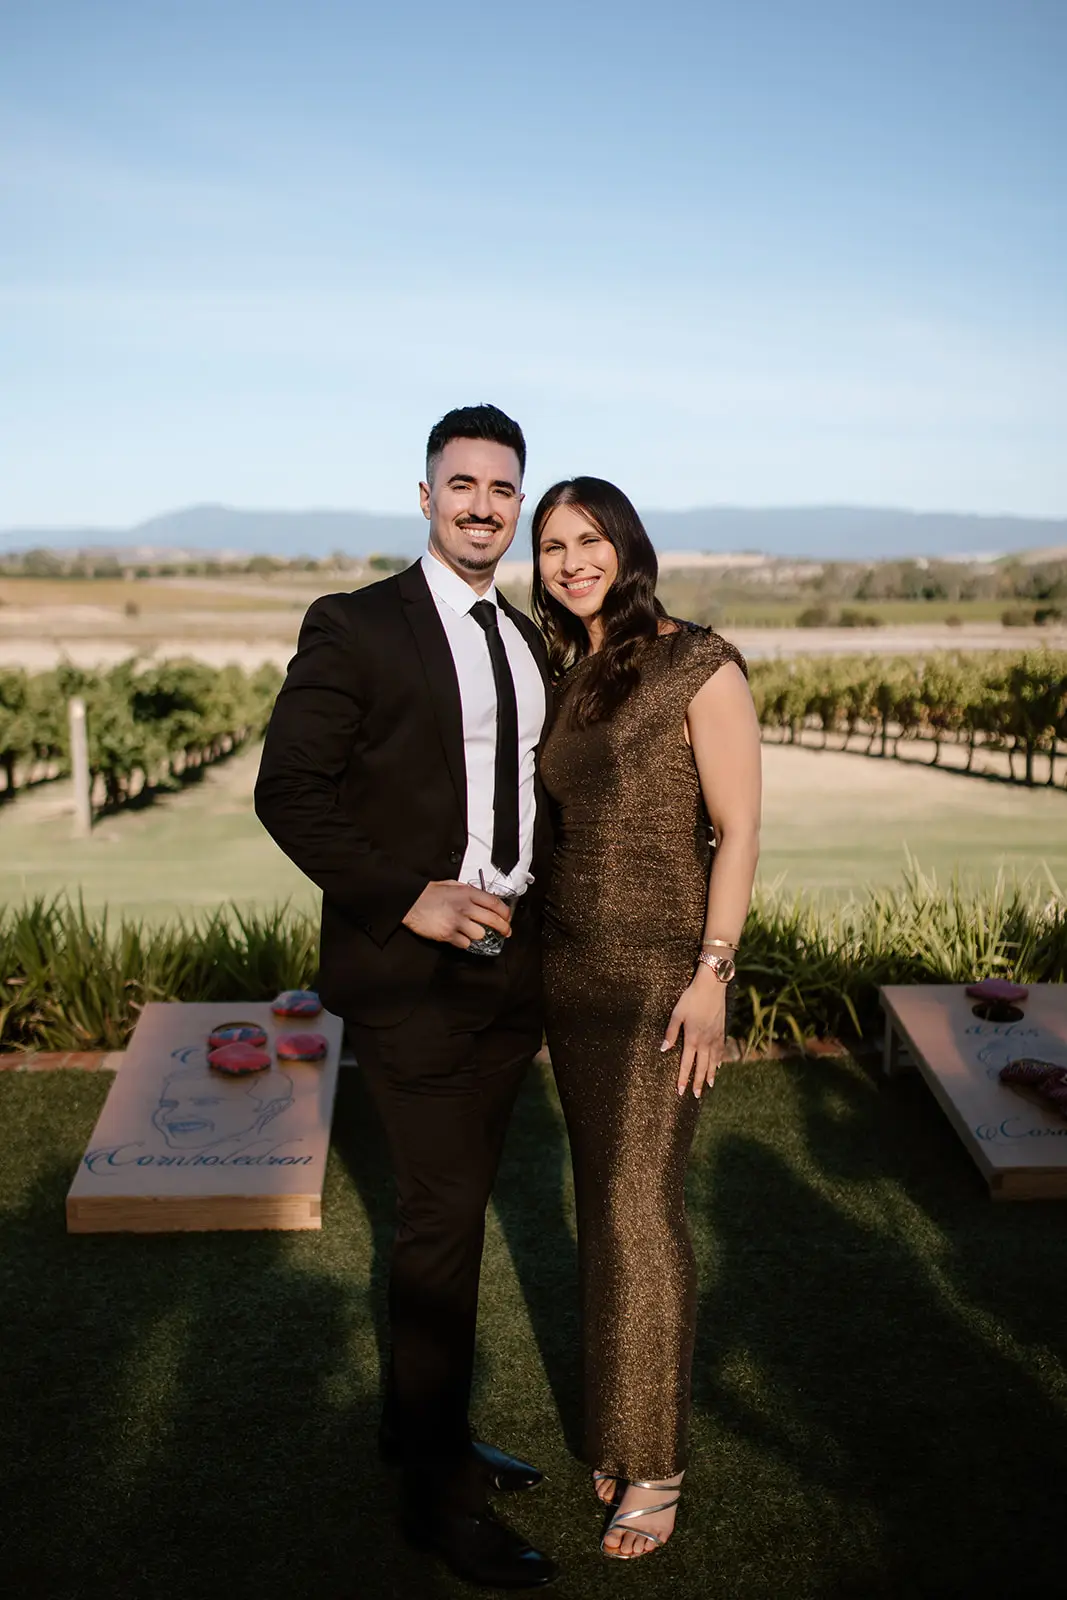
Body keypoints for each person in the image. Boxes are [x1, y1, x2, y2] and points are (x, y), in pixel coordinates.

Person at [255, 404, 558, 1590]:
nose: (482, 503)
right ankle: (436, 1501)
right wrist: (408, 896)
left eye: (501, 487)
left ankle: (416, 1427)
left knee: (455, 1212)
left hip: (508, 978)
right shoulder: (357, 624)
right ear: (423, 496)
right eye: (461, 483)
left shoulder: (526, 637)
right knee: (438, 1229)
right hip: (412, 979)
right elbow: (290, 791)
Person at [532, 476, 762, 1561]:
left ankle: (656, 1459)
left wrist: (712, 972)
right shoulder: (569, 672)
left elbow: (738, 828)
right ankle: (621, 1422)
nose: (570, 561)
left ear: (626, 546)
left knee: (638, 1207)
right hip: (568, 976)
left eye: (587, 540)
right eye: (552, 546)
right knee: (600, 1205)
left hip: (660, 979)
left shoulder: (696, 662)